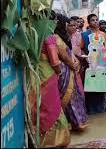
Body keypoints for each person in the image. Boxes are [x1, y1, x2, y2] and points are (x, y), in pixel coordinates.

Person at [28, 12, 70, 147]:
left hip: (33, 72)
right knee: (52, 106)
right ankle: (54, 140)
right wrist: (58, 72)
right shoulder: (48, 34)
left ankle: (36, 138)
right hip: (47, 73)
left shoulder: (30, 31)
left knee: (37, 105)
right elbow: (54, 61)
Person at [54, 14, 88, 130]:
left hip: (70, 68)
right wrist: (73, 65)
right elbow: (64, 55)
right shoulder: (56, 37)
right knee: (69, 97)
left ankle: (75, 122)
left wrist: (75, 62)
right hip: (64, 69)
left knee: (75, 95)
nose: (71, 26)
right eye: (67, 24)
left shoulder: (63, 37)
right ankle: (72, 122)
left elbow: (69, 52)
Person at [80, 14, 106, 114]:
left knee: (100, 85)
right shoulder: (84, 35)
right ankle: (90, 109)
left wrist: (104, 61)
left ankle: (100, 108)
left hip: (101, 64)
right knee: (90, 85)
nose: (95, 22)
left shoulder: (103, 34)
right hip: (89, 64)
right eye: (92, 20)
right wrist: (86, 58)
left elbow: (105, 49)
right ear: (89, 22)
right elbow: (81, 49)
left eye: (96, 20)